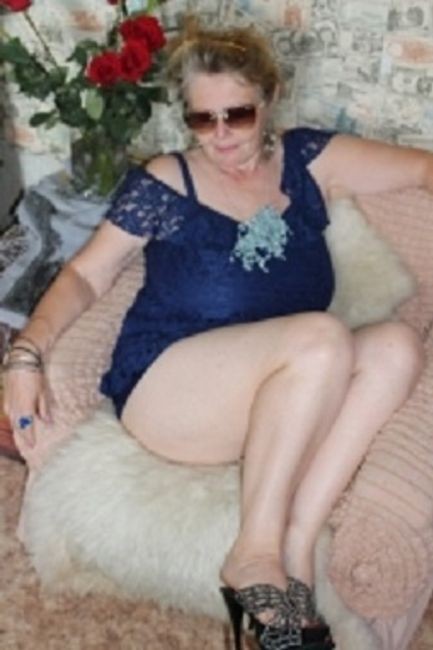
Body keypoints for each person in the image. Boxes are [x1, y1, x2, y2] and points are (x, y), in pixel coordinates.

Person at [3, 21, 432, 650]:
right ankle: (251, 555)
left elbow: (423, 168)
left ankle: (294, 550)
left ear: (270, 99)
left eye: (238, 114)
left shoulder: (308, 160)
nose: (222, 135)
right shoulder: (165, 183)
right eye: (203, 120)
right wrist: (25, 354)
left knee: (396, 348)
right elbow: (86, 276)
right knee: (322, 338)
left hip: (286, 388)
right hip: (171, 391)